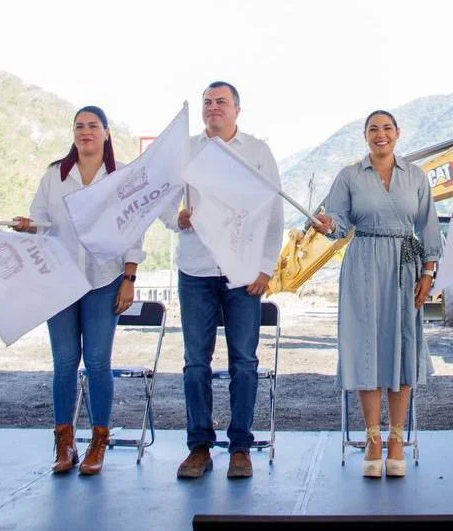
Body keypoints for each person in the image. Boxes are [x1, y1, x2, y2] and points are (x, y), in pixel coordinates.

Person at [12, 106, 143, 475]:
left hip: (105, 280)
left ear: (106, 133)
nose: (86, 132)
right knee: (65, 364)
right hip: (59, 281)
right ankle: (64, 442)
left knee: (98, 363)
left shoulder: (121, 177)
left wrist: (129, 278)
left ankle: (98, 442)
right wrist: (28, 226)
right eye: (79, 126)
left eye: (93, 126)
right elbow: (41, 221)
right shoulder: (55, 174)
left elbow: (134, 229)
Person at [312, 110, 442, 478]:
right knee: (365, 347)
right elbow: (337, 223)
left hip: (405, 264)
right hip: (363, 263)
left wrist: (428, 272)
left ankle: (396, 439)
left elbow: (428, 226)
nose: (380, 134)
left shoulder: (415, 176)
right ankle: (372, 438)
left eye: (386, 128)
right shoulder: (349, 175)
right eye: (373, 129)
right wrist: (327, 225)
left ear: (398, 133)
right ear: (365, 136)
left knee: (402, 347)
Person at [167, 82, 284, 480]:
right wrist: (176, 220)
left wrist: (266, 266)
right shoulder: (186, 151)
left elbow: (274, 212)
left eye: (221, 102)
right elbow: (163, 202)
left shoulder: (258, 152)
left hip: (244, 272)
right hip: (195, 269)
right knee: (195, 364)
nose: (213, 107)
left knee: (245, 364)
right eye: (207, 102)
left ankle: (240, 448)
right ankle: (199, 447)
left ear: (237, 109)